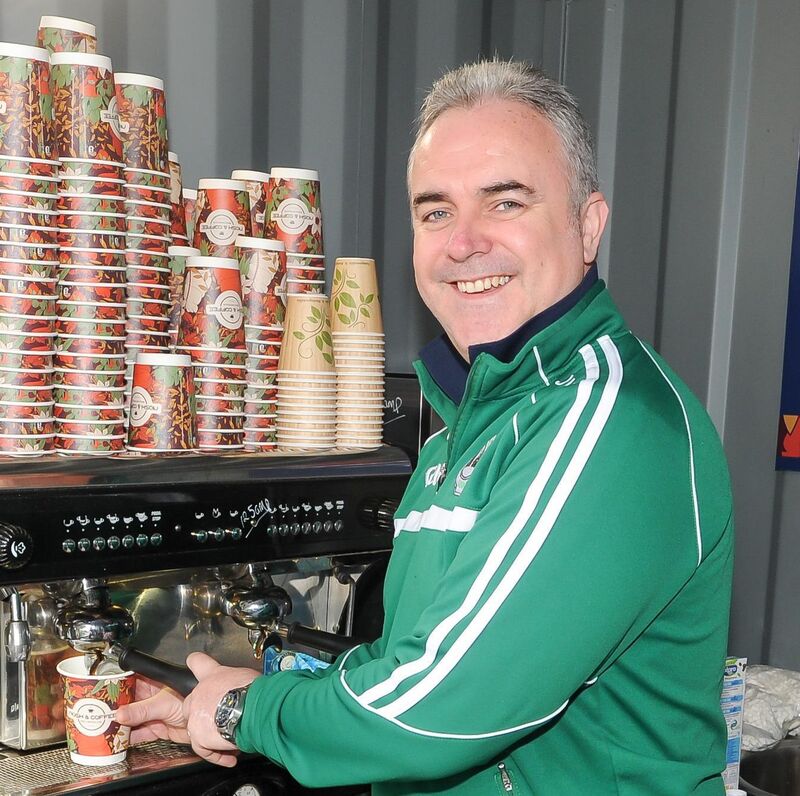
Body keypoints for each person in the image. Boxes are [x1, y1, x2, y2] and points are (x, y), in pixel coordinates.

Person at [116, 60, 734, 794]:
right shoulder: (464, 427)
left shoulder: (610, 425)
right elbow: (411, 661)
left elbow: (435, 711)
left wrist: (246, 712)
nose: (463, 242)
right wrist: (226, 695)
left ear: (588, 224)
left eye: (505, 203)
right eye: (435, 211)